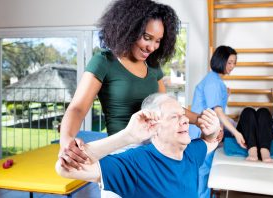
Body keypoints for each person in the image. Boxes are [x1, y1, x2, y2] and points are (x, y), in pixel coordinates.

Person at [59, 0, 217, 171]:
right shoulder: (104, 61)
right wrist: (66, 140)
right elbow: (77, 108)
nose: (152, 47)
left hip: (156, 152)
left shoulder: (153, 66)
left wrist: (200, 120)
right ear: (129, 29)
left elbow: (169, 108)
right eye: (147, 38)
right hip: (122, 155)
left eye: (158, 41)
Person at [56, 93, 221, 198]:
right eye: (174, 117)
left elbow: (211, 141)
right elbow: (65, 169)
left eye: (183, 115)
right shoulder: (136, 163)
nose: (186, 120)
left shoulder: (191, 152)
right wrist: (128, 136)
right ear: (153, 127)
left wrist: (212, 129)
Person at [189, 45, 245, 198]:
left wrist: (226, 95)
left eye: (234, 62)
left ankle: (205, 195)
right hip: (201, 131)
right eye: (230, 62)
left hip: (208, 130)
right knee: (203, 169)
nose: (232, 66)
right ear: (221, 61)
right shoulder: (213, 82)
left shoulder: (216, 81)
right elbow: (218, 112)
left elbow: (216, 109)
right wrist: (236, 132)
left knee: (205, 167)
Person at [235, 88, 273, 163]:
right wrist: (224, 99)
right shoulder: (238, 125)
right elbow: (224, 120)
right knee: (248, 111)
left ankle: (265, 150)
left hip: (265, 141)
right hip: (246, 139)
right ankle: (252, 149)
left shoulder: (267, 125)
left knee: (263, 111)